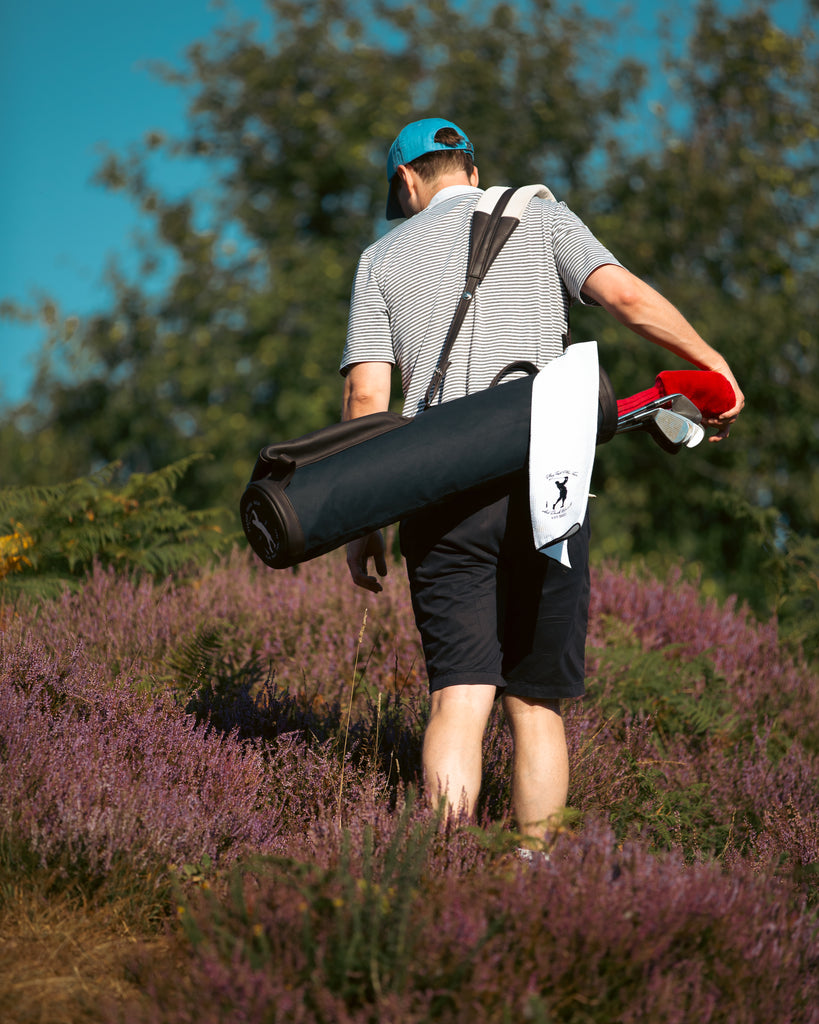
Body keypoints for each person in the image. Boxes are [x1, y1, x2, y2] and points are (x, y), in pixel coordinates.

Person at [339, 117, 744, 849]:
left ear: (405, 181)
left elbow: (366, 402)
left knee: (459, 699)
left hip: (437, 489)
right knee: (537, 703)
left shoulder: (378, 259)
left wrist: (362, 522)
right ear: (468, 165)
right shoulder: (540, 214)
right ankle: (537, 877)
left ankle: (444, 872)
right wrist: (707, 358)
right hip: (548, 476)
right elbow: (621, 295)